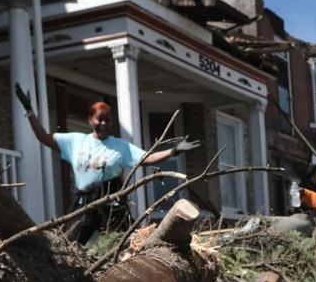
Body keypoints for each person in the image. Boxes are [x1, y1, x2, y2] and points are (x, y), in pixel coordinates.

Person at [15, 83, 199, 241]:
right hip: (84, 198)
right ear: (90, 120)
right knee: (71, 239)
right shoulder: (75, 141)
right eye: (99, 119)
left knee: (119, 239)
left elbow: (147, 158)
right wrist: (29, 111)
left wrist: (175, 150)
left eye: (107, 120)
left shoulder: (121, 147)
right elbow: (44, 137)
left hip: (112, 198)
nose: (103, 123)